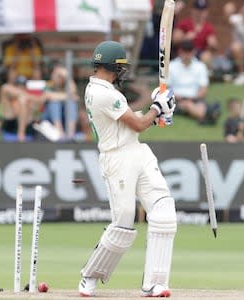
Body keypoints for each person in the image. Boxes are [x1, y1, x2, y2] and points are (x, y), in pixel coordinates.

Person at [78, 40, 177, 298]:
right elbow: (138, 124)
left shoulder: (102, 89)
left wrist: (158, 114)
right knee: (123, 223)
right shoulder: (103, 93)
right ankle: (90, 275)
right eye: (121, 67)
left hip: (136, 152)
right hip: (117, 158)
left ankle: (154, 283)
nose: (124, 72)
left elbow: (133, 124)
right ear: (113, 66)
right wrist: (158, 107)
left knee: (164, 210)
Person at [168, 39, 219, 124]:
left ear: (194, 51)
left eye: (189, 51)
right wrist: (179, 98)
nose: (187, 54)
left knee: (198, 105)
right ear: (180, 51)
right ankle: (206, 117)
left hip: (195, 98)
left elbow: (203, 89)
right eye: (185, 51)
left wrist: (192, 98)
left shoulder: (200, 66)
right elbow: (167, 88)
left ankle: (204, 116)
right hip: (176, 99)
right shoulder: (171, 66)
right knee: (188, 105)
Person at [0, 68, 46, 142]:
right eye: (19, 85)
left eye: (23, 86)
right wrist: (27, 96)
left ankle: (21, 134)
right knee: (21, 100)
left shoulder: (31, 102)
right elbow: (5, 88)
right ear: (15, 87)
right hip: (9, 133)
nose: (21, 87)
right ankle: (20, 135)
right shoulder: (9, 99)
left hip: (28, 135)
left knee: (24, 101)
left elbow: (45, 98)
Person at [172, 0, 218, 68]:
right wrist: (185, 38)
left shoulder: (209, 27)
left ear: (206, 12)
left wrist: (212, 44)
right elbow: (174, 40)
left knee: (207, 56)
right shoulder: (184, 23)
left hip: (200, 54)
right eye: (198, 10)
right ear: (193, 10)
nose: (200, 13)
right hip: (185, 51)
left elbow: (215, 47)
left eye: (202, 10)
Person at [40, 64, 79, 141]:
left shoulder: (66, 86)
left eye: (61, 76)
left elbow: (74, 93)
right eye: (57, 75)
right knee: (54, 103)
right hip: (48, 121)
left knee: (71, 103)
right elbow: (49, 96)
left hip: (64, 119)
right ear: (52, 75)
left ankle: (71, 135)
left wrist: (67, 76)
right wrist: (68, 96)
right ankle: (60, 134)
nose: (59, 78)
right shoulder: (48, 85)